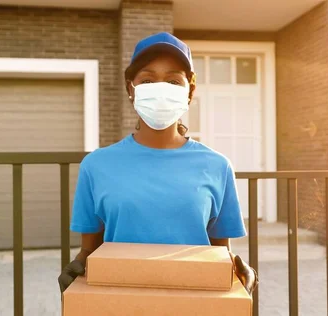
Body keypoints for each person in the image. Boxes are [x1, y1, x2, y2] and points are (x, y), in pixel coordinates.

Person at [58, 32, 259, 296]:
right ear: (131, 88)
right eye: (148, 80)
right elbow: (90, 250)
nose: (161, 89)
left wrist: (240, 272)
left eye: (174, 81)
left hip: (194, 303)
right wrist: (77, 266)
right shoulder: (96, 166)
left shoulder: (217, 166)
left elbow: (219, 253)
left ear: (190, 91)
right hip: (120, 302)